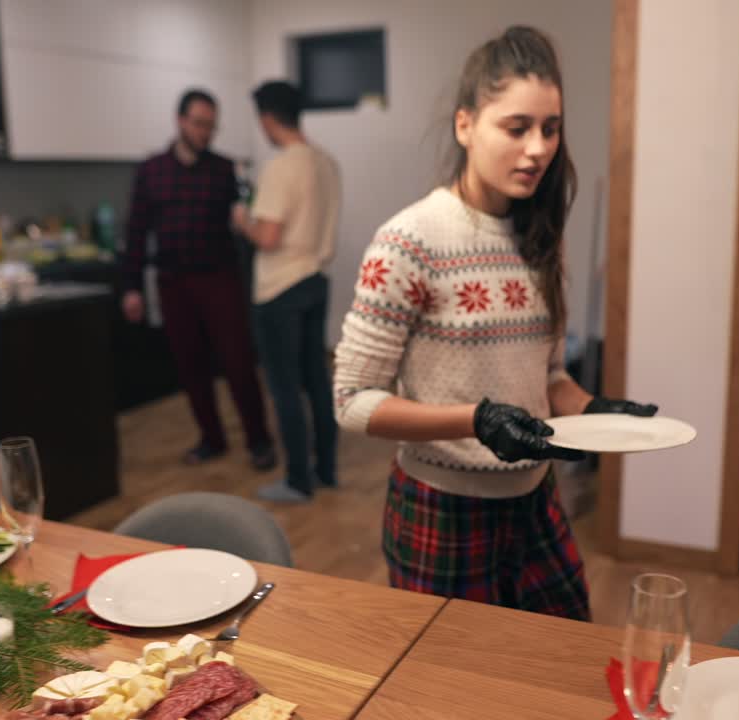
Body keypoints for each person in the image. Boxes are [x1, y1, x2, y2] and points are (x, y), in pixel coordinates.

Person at [332, 27, 657, 620]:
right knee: (454, 694)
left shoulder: (540, 239)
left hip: (535, 501)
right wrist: (475, 421)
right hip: (443, 510)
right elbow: (353, 402)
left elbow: (549, 378)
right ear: (465, 126)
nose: (537, 149)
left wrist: (597, 412)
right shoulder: (409, 241)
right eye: (516, 127)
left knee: (564, 667)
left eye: (550, 128)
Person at [123, 88, 276, 471]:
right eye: (199, 123)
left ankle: (259, 440)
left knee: (238, 362)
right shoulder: (151, 170)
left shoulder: (225, 169)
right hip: (173, 282)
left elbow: (248, 219)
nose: (206, 132)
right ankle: (212, 438)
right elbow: (137, 231)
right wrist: (132, 287)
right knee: (191, 366)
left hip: (219, 278)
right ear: (180, 121)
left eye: (211, 125)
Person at [233, 81, 342, 503]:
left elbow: (268, 236)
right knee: (316, 378)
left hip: (279, 289)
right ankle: (326, 470)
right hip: (315, 280)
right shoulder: (326, 163)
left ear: (267, 118)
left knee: (284, 387)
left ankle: (298, 480)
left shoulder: (281, 167)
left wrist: (242, 218)